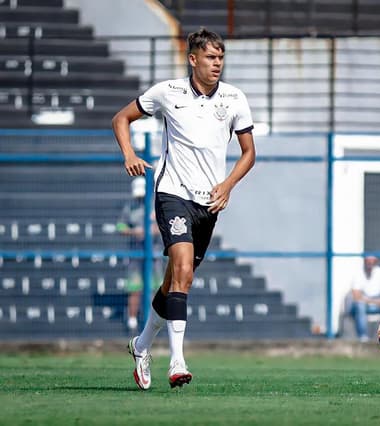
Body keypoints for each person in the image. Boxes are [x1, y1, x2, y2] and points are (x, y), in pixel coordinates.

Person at [112, 28, 256, 390]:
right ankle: (177, 362)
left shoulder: (235, 98)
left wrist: (227, 186)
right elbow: (121, 118)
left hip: (208, 203)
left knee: (179, 281)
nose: (217, 64)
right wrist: (129, 153)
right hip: (172, 193)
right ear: (193, 59)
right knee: (180, 269)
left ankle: (141, 346)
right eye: (210, 58)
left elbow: (249, 152)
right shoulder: (167, 92)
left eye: (221, 58)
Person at [116, 177, 163, 333]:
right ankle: (132, 320)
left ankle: (154, 320)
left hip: (154, 254)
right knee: (134, 288)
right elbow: (121, 226)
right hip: (136, 254)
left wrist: (152, 231)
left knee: (155, 288)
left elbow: (165, 226)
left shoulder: (156, 206)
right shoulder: (130, 207)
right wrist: (133, 232)